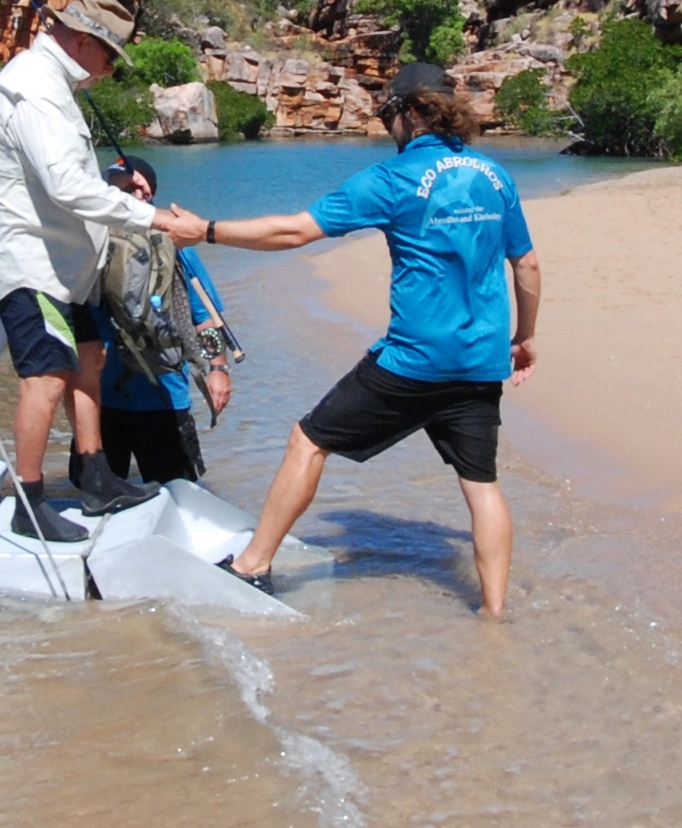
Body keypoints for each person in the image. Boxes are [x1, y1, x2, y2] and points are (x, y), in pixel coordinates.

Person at [205, 64, 543, 618]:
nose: (389, 127)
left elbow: (294, 231)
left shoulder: (394, 179)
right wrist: (524, 337)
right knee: (481, 484)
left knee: (308, 441)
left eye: (389, 115)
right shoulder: (494, 175)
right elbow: (525, 264)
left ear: (411, 112)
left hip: (413, 362)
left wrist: (208, 231)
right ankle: (494, 614)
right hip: (481, 362)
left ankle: (252, 567)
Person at [0, 0, 205, 528]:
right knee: (47, 378)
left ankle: (97, 478)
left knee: (91, 357)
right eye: (107, 56)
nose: (108, 70)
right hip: (32, 266)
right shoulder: (34, 90)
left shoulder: (55, 85)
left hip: (64, 268)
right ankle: (28, 505)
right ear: (81, 41)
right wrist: (157, 219)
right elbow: (67, 186)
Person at [93, 153, 234, 485]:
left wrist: (218, 369)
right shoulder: (91, 240)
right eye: (112, 187)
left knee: (179, 495)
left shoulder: (177, 245)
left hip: (163, 397)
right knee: (94, 501)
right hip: (98, 397)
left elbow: (206, 317)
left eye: (128, 187)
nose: (119, 194)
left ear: (147, 193)